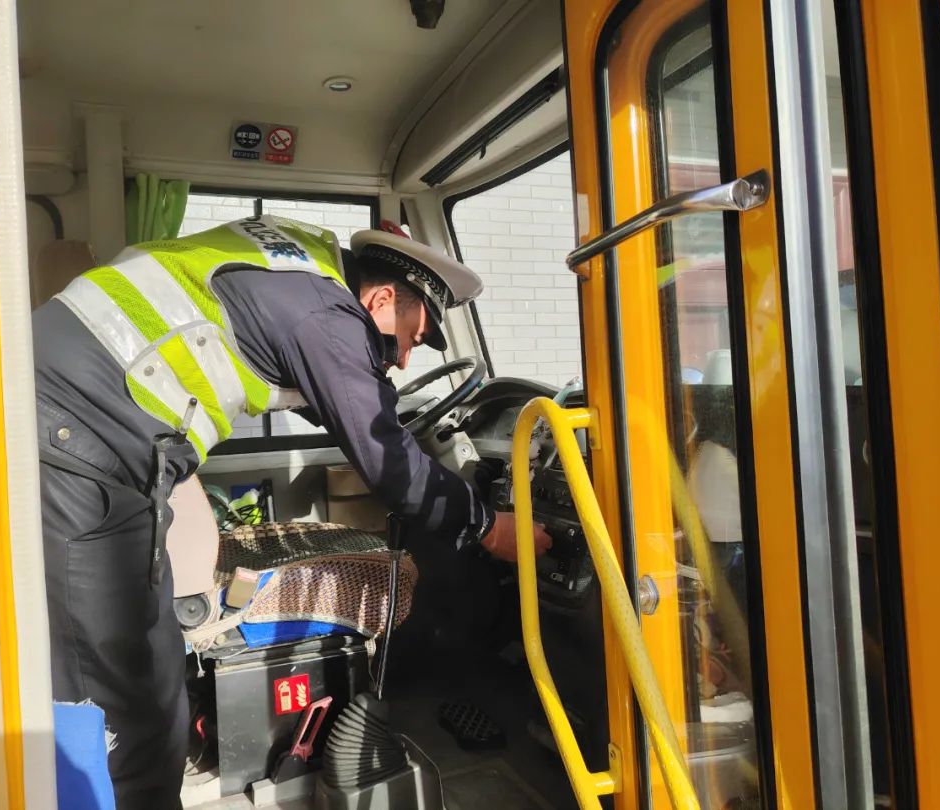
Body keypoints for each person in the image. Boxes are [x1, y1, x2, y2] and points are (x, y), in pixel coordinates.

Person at [32, 214, 552, 808]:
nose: (406, 359)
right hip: (79, 439)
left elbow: (346, 412)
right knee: (123, 689)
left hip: (83, 428)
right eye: (412, 336)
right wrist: (487, 526)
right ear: (382, 297)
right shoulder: (327, 318)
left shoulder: (302, 279)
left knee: (144, 673)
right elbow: (391, 465)